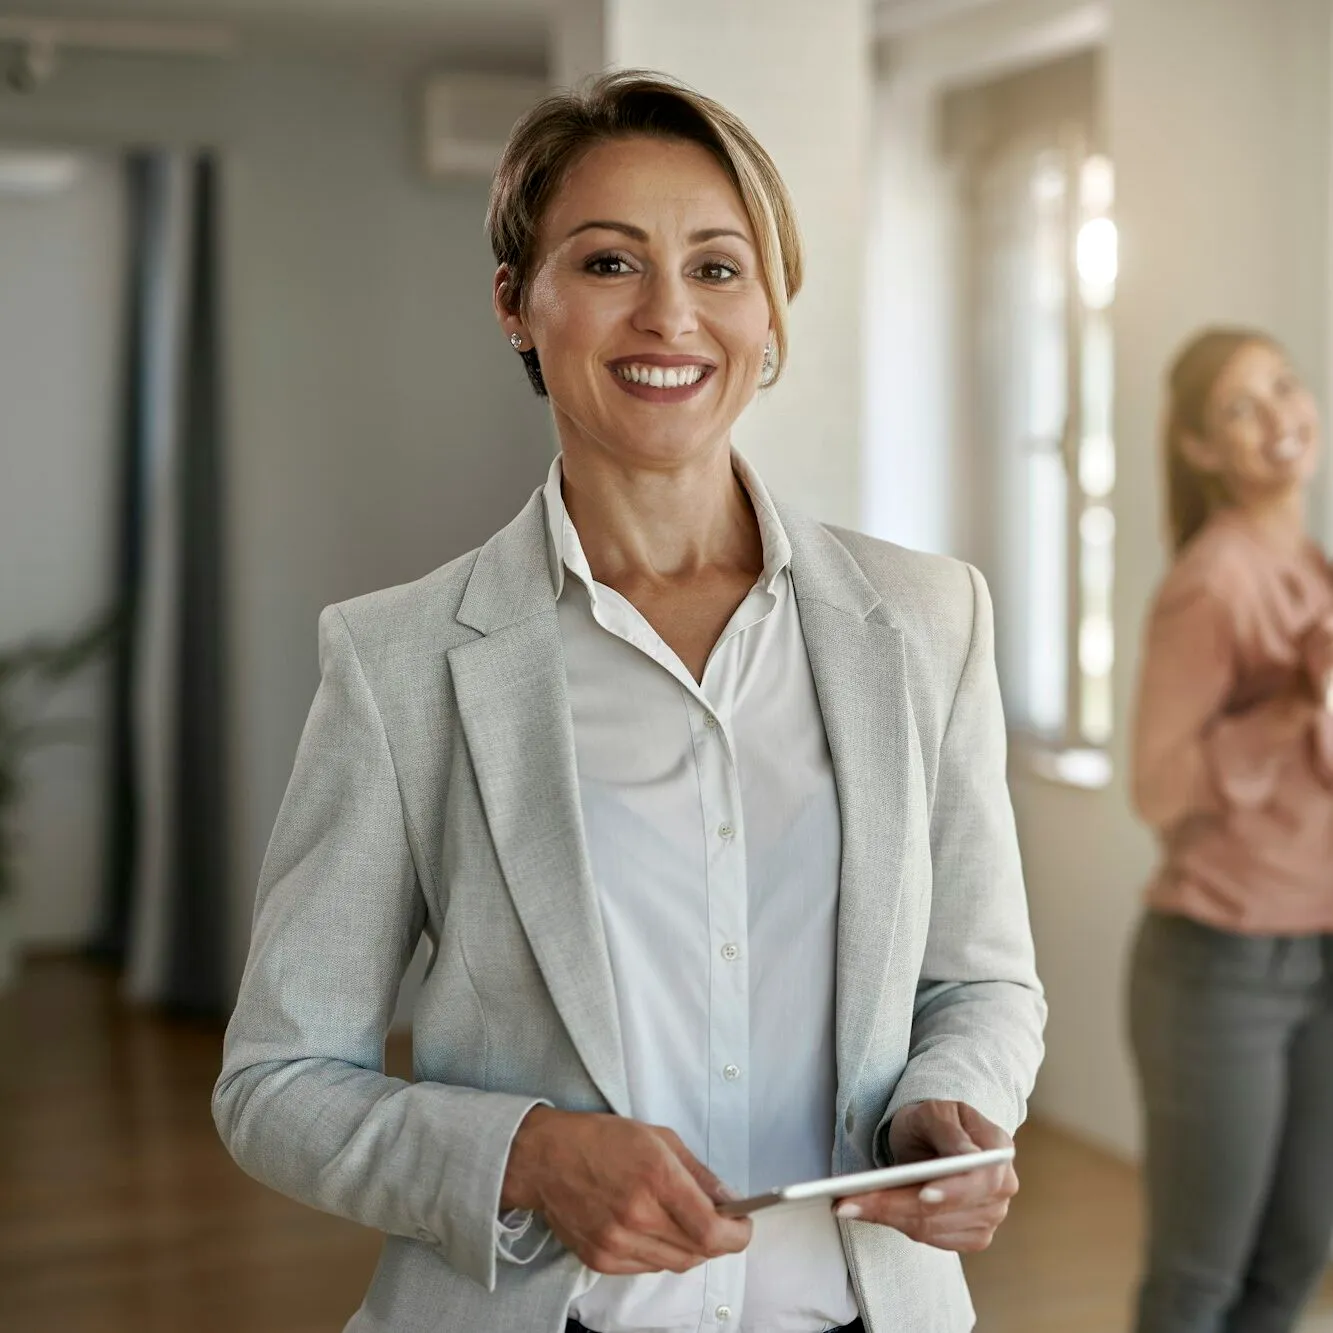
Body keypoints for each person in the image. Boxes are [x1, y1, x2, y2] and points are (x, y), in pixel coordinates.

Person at [213, 70, 1045, 1333]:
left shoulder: (928, 622)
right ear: (514, 303)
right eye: (608, 264)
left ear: (771, 314)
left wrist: (955, 1103)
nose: (670, 315)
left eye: (718, 269)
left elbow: (983, 984)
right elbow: (275, 1083)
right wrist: (527, 1154)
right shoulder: (397, 664)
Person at [1129, 327, 1333, 1333]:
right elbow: (1156, 788)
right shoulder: (1212, 582)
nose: (1277, 420)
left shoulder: (1312, 566)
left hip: (1318, 951)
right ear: (1203, 449)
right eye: (1239, 409)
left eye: (1282, 389)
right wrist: (1293, 703)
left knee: (1292, 1261)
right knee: (1199, 1279)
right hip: (1220, 966)